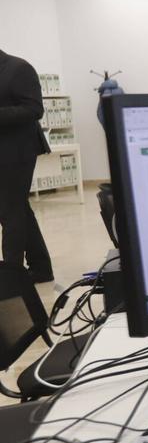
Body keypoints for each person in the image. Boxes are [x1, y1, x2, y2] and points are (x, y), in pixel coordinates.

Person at [0, 48, 53, 282]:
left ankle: (11, 279)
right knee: (17, 208)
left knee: (10, 211)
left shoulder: (18, 68)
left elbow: (34, 109)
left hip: (18, 150)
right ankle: (41, 268)